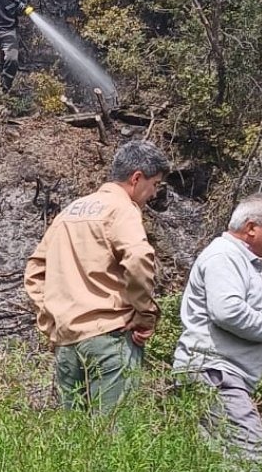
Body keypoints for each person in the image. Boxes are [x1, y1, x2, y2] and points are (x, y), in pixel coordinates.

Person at [24, 141, 170, 413]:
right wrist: (144, 314)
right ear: (136, 178)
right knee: (113, 439)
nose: (153, 193)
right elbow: (138, 258)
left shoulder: (70, 211)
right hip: (110, 337)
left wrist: (52, 318)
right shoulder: (122, 209)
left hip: (67, 343)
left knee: (77, 443)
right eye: (155, 184)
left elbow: (34, 270)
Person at [173, 194, 262, 465]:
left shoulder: (232, 257)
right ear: (251, 228)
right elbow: (227, 311)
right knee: (250, 458)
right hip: (216, 375)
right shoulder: (225, 256)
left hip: (211, 373)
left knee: (214, 465)